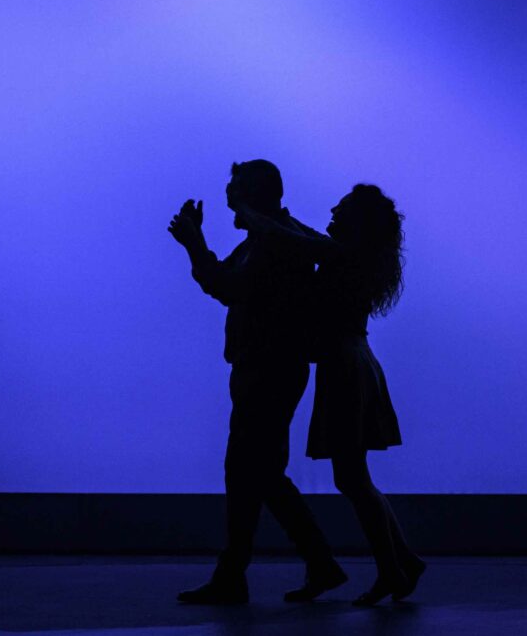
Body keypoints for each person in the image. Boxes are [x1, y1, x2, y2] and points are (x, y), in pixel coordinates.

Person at [234, 183, 426, 606]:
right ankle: (401, 563)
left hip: (344, 368)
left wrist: (252, 212)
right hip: (353, 362)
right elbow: (302, 238)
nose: (334, 211)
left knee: (352, 479)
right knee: (356, 478)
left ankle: (392, 570)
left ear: (357, 221)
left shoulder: (344, 256)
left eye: (343, 208)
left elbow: (294, 239)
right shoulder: (354, 255)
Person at [167, 160, 347, 604]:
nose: (228, 198)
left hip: (267, 371)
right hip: (268, 369)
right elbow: (225, 282)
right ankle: (306, 565)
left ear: (253, 195)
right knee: (258, 472)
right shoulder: (272, 238)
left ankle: (254, 573)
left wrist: (195, 244)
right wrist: (198, 243)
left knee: (252, 471)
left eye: (235, 190)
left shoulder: (273, 242)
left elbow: (226, 287)